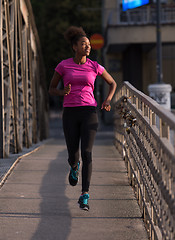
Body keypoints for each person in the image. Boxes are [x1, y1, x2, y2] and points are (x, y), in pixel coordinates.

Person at [48, 26, 117, 211]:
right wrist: (63, 92)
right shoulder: (63, 65)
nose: (88, 47)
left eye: (88, 44)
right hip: (70, 113)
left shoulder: (95, 66)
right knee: (73, 153)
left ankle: (84, 194)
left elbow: (112, 83)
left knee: (87, 153)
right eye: (83, 44)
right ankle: (73, 165)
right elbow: (51, 89)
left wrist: (108, 100)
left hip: (89, 112)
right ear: (74, 47)